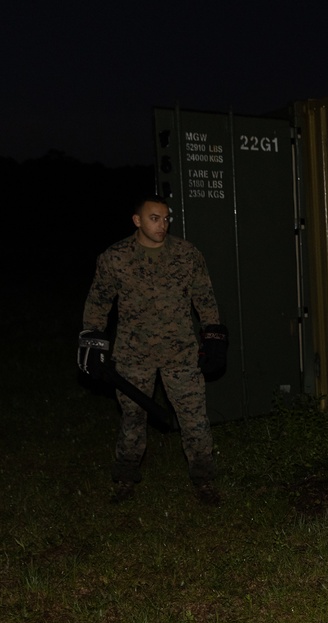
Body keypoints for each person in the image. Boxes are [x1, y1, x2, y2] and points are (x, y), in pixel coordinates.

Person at [77, 195, 229, 506]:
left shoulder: (187, 254)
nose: (162, 225)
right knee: (132, 419)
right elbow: (99, 302)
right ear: (137, 221)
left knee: (194, 420)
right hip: (134, 355)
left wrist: (213, 336)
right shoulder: (116, 257)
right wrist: (93, 342)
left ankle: (204, 480)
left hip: (181, 353)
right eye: (154, 218)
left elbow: (205, 298)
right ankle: (124, 478)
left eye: (165, 218)